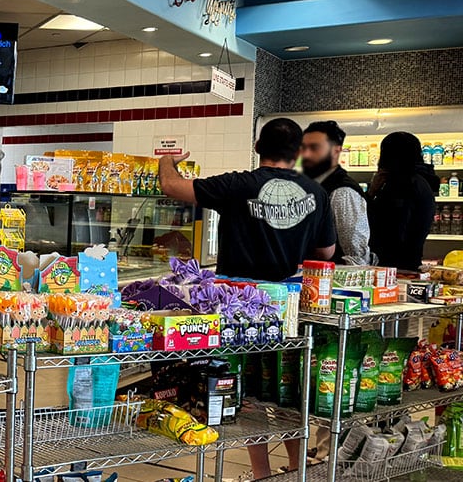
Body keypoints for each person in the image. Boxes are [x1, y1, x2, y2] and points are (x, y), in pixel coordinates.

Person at [159, 117, 336, 479]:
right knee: (287, 390)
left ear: (258, 148)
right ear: (298, 152)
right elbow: (327, 250)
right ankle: (298, 468)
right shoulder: (316, 194)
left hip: (238, 306)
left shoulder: (238, 185)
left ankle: (260, 473)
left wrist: (167, 161)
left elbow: (171, 186)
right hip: (289, 306)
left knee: (246, 391)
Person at [301, 121, 371, 265]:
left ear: (336, 151)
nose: (306, 154)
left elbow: (355, 255)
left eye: (314, 148)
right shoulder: (312, 185)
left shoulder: (343, 192)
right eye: (303, 148)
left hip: (331, 279)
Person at [368, 131, 437, 272]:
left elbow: (391, 228)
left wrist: (370, 195)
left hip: (393, 267)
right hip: (409, 263)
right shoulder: (421, 181)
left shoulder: (401, 184)